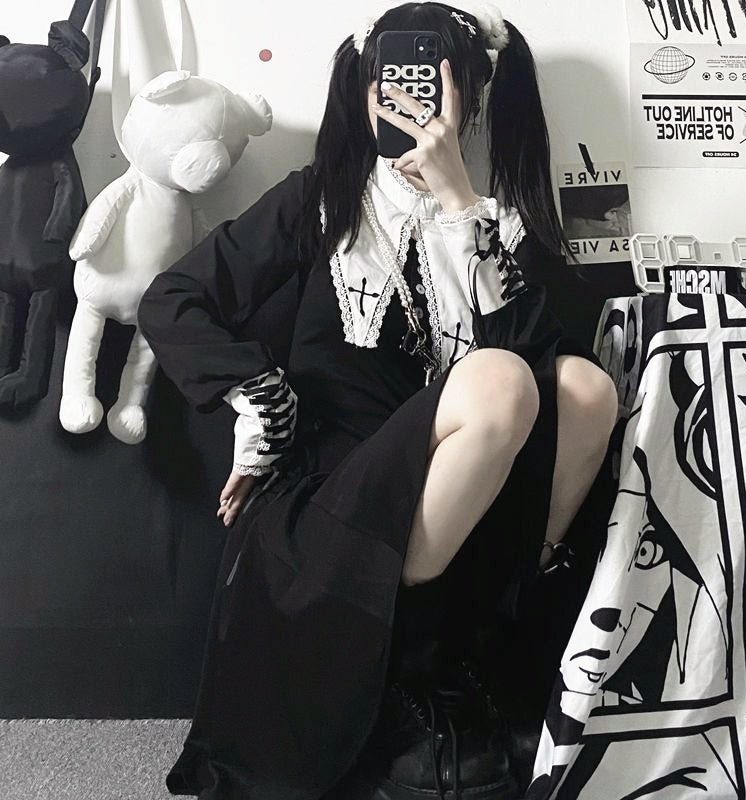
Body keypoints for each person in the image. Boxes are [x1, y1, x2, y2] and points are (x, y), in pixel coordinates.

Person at [137, 3, 618, 799]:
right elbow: (172, 298)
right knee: (499, 380)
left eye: (432, 78)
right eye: (388, 79)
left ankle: (481, 659)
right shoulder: (323, 198)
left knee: (584, 387)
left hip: (471, 496)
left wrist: (459, 200)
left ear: (470, 94)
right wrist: (260, 398)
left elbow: (542, 365)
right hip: (337, 491)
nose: (407, 98)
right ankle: (415, 671)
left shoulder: (497, 221)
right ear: (364, 91)